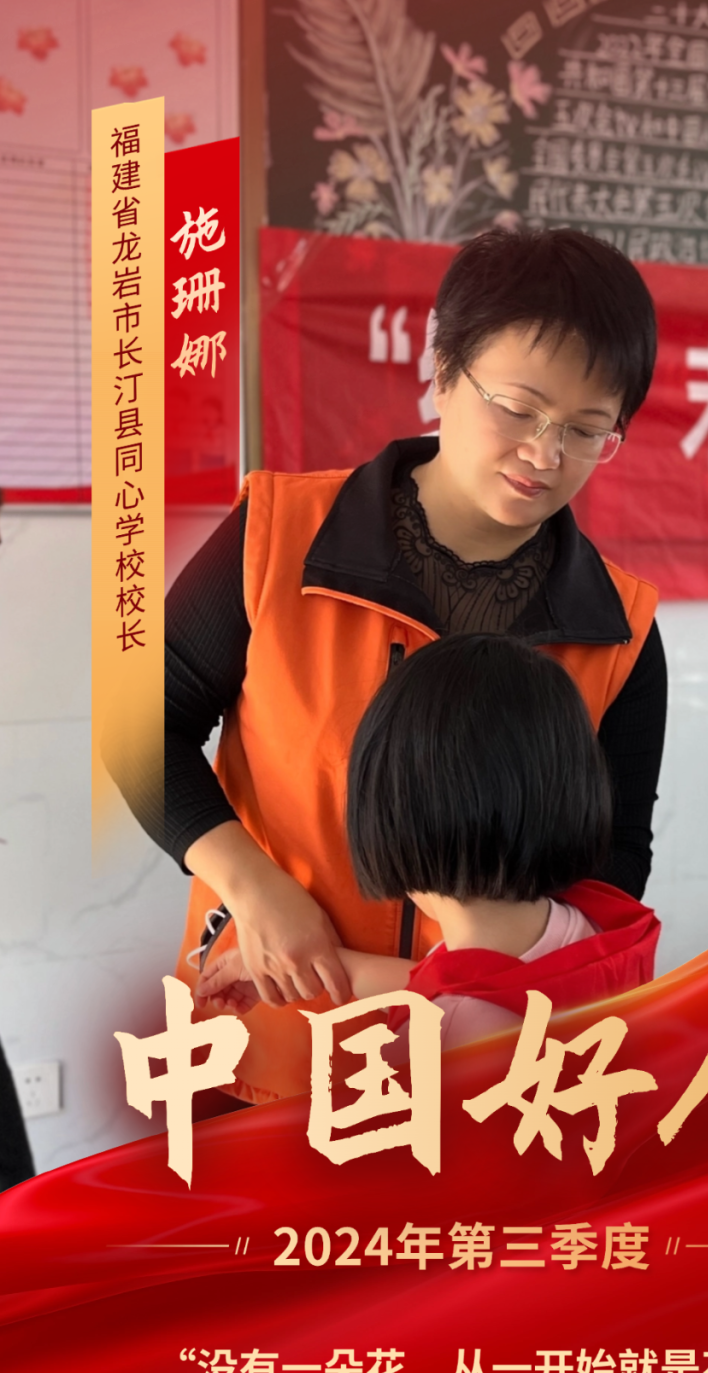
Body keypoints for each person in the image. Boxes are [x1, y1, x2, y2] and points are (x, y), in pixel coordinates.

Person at [118, 227, 666, 1102]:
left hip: (480, 1079)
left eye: (585, 429)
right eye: (518, 408)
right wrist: (253, 888)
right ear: (443, 369)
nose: (544, 453)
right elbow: (141, 724)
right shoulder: (278, 537)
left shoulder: (619, 630)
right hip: (270, 1042)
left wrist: (460, 996)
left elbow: (609, 869)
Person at [197, 636, 660, 1049]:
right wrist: (334, 967)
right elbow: (464, 983)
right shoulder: (591, 931)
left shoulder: (444, 1040)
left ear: (392, 822)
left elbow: (456, 1002)